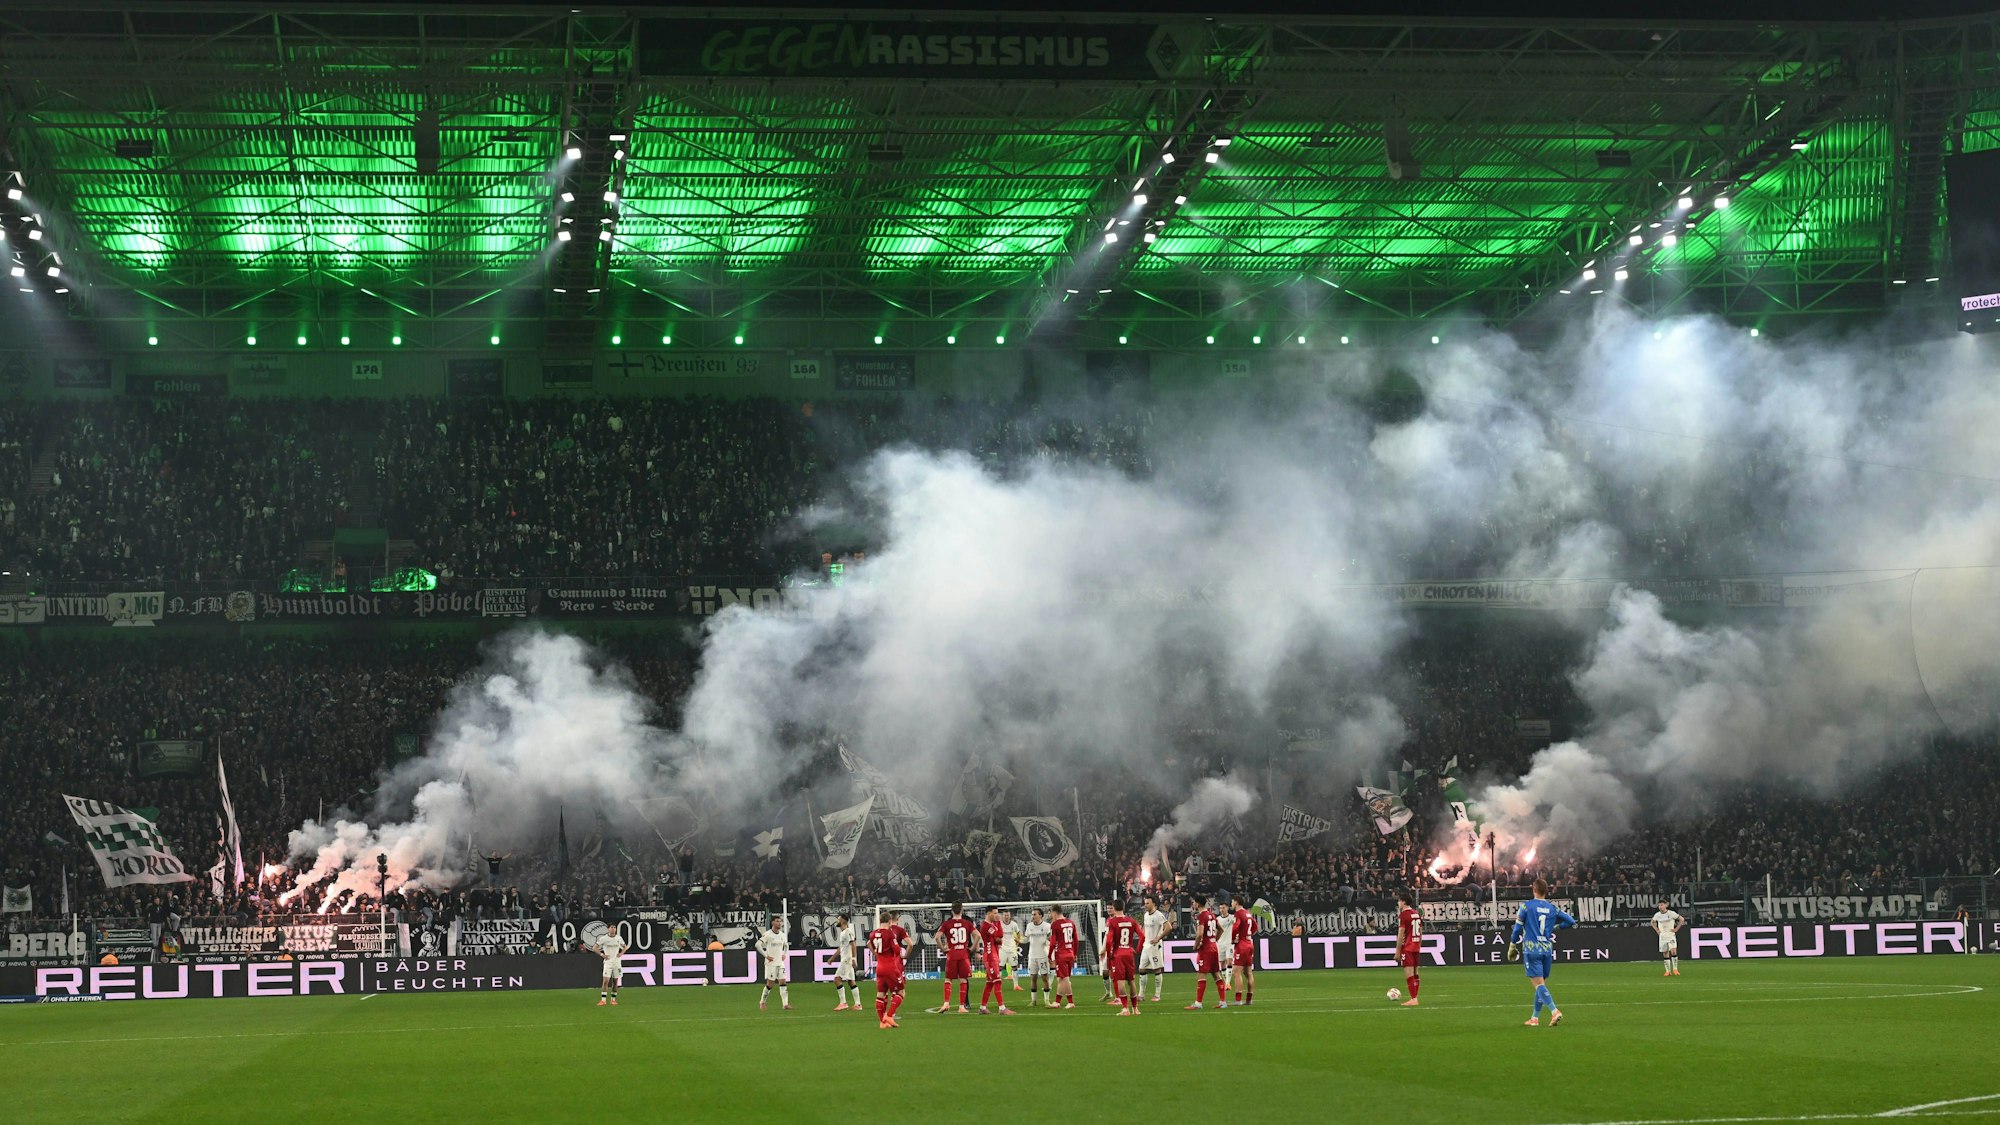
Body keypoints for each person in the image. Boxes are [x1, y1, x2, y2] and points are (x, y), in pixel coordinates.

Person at [1511, 879, 1577, 1027]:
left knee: (1538, 985)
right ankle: (1534, 1018)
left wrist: (1512, 945)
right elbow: (1571, 921)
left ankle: (1554, 1011)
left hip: (1531, 948)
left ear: (1534, 890)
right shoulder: (1552, 908)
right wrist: (1556, 927)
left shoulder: (1526, 907)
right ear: (1546, 891)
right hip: (1546, 949)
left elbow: (1517, 929)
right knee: (1541, 985)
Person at [933, 901, 977, 1014]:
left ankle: (946, 1003)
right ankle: (961, 1006)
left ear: (952, 910)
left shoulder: (947, 924)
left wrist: (943, 949)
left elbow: (937, 937)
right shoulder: (967, 923)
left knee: (948, 979)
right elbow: (978, 935)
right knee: (963, 979)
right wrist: (972, 948)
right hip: (963, 955)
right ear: (962, 910)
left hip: (951, 955)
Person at [869, 910, 909, 1029]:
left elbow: (873, 946)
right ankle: (890, 1016)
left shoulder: (872, 934)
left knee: (881, 994)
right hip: (890, 967)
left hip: (879, 967)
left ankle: (882, 1022)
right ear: (890, 921)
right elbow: (897, 950)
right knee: (901, 992)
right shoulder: (890, 933)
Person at [1103, 902, 1144, 1015]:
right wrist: (1138, 950)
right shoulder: (1131, 921)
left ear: (1115, 908)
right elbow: (1142, 935)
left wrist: (1109, 953)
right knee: (1131, 981)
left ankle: (1125, 1008)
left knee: (1120, 981)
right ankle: (1135, 1009)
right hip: (1129, 953)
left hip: (1118, 954)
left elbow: (1108, 940)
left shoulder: (1112, 921)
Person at [1187, 893, 1224, 1010]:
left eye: (1193, 902)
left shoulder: (1201, 916)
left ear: (1197, 904)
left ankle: (1198, 1003)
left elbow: (1199, 934)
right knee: (1216, 974)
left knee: (1202, 974)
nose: (1193, 904)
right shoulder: (1212, 915)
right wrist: (1214, 940)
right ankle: (1223, 1002)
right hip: (1214, 947)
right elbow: (1221, 929)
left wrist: (1195, 946)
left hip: (1206, 949)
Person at [977, 907, 1016, 1014]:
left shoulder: (991, 925)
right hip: (990, 957)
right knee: (997, 981)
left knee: (990, 983)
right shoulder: (986, 926)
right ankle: (1002, 1008)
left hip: (993, 955)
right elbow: (1000, 936)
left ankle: (982, 1008)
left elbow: (998, 939)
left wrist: (998, 938)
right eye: (995, 913)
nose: (997, 915)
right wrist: (999, 922)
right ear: (989, 914)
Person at [582, 924, 627, 1007]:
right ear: (608, 929)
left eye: (614, 927)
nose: (613, 929)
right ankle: (603, 1000)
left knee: (615, 981)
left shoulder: (619, 938)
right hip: (608, 962)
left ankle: (613, 1000)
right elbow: (594, 948)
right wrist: (602, 955)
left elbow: (625, 946)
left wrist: (621, 953)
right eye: (611, 927)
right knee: (606, 981)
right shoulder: (603, 938)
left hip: (616, 962)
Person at [1139, 895, 1173, 1002]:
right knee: (1141, 969)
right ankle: (1141, 994)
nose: (1146, 905)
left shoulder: (1158, 915)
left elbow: (1169, 927)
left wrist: (1159, 937)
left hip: (1155, 946)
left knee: (1157, 969)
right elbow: (1145, 927)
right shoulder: (1145, 915)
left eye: (1148, 903)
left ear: (1154, 904)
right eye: (1145, 903)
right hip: (1146, 945)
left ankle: (1157, 995)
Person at [1049, 903, 1081, 1009]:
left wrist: (1049, 955)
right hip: (1070, 953)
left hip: (1061, 954)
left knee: (1065, 978)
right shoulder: (1071, 922)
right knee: (1061, 979)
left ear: (1054, 912)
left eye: (1051, 913)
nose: (1051, 915)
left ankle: (1069, 1002)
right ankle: (1058, 1002)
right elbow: (1076, 940)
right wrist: (1075, 953)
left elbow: (1053, 942)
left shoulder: (1055, 924)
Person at [1229, 894, 1258, 1006]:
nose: (1231, 904)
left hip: (1242, 945)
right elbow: (1255, 927)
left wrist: (1233, 939)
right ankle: (1249, 999)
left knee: (1236, 972)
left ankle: (1238, 1000)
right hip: (1250, 943)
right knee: (1248, 972)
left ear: (1236, 902)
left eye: (1232, 902)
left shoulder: (1238, 914)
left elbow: (1235, 927)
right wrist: (1248, 935)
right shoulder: (1248, 913)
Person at [757, 916, 791, 1011]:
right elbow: (758, 945)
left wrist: (784, 954)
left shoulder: (783, 935)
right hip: (771, 963)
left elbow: (786, 946)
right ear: (773, 922)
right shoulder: (768, 934)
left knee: (783, 982)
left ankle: (785, 1004)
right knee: (770, 984)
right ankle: (762, 1002)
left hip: (780, 963)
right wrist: (766, 955)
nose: (779, 923)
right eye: (777, 921)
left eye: (780, 921)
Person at [829, 912, 863, 1010]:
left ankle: (843, 1003)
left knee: (837, 979)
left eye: (838, 918)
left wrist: (853, 959)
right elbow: (841, 948)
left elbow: (853, 944)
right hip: (846, 959)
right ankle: (858, 1004)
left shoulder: (847, 932)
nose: (837, 920)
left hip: (847, 960)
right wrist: (832, 958)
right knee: (851, 981)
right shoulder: (843, 933)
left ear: (843, 920)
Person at [1396, 889, 1423, 1006]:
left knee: (1409, 974)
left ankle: (1413, 999)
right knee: (1416, 973)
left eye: (1399, 901)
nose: (1398, 903)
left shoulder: (1404, 915)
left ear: (1403, 902)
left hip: (1407, 947)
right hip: (1416, 946)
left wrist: (1397, 951)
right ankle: (1415, 997)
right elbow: (1421, 931)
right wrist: (1419, 945)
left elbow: (1401, 934)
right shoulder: (1416, 913)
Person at [1023, 907, 1053, 1007]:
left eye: (1035, 914)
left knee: (1045, 977)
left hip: (1043, 956)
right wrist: (1019, 940)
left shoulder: (1047, 926)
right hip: (1032, 956)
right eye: (1032, 914)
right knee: (1033, 978)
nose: (1033, 916)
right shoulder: (1029, 926)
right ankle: (1033, 1001)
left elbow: (1051, 939)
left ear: (1040, 916)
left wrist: (1048, 942)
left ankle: (1047, 1001)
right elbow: (1026, 939)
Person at [1649, 899, 1686, 977]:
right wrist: (1657, 930)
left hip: (1670, 935)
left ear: (1666, 905)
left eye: (1661, 905)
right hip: (1662, 936)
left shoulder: (1671, 913)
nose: (1660, 907)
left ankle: (1675, 969)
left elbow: (1682, 919)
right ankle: (1668, 971)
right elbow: (1652, 922)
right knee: (1665, 953)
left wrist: (1676, 929)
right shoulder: (1657, 915)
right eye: (1659, 905)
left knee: (1673, 951)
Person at [1000, 910, 1023, 992]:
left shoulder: (1014, 924)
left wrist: (1018, 939)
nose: (1006, 917)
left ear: (1010, 916)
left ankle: (1016, 985)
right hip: (1002, 949)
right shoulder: (1000, 924)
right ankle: (998, 986)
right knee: (1000, 967)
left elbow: (1018, 932)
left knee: (1014, 967)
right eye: (1005, 915)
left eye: (1008, 915)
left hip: (1012, 949)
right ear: (1003, 916)